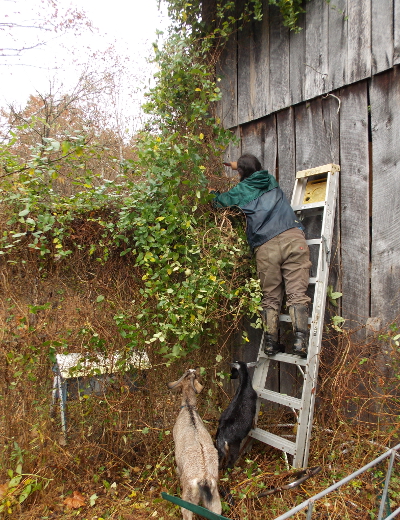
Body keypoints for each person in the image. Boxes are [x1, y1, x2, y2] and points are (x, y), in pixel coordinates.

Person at [211, 153, 311, 358]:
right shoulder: (269, 179)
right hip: (293, 238)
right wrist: (237, 165)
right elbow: (251, 168)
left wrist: (212, 193)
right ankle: (300, 342)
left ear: (241, 173)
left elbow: (218, 203)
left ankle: (270, 344)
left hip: (266, 247)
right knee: (297, 294)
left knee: (271, 297)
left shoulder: (239, 191)